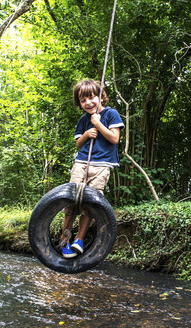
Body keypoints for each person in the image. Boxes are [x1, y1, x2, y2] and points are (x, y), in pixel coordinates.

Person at [60, 79, 124, 258]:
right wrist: (87, 134)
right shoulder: (83, 120)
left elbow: (114, 139)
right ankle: (64, 237)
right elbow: (78, 144)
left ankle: (79, 239)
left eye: (91, 97)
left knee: (90, 202)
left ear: (100, 96)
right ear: (79, 104)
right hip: (81, 163)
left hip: (102, 165)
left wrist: (98, 124)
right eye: (83, 100)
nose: (88, 103)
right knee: (72, 199)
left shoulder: (111, 114)